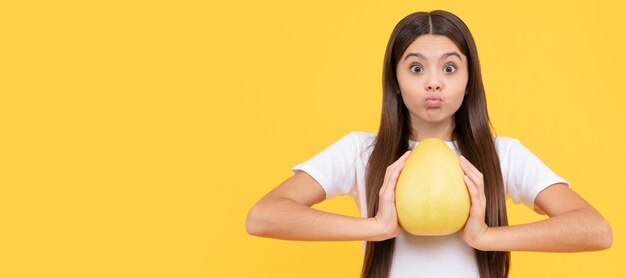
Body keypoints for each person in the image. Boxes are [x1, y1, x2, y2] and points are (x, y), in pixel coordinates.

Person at [245, 10, 612, 278]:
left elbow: (596, 230)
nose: (433, 82)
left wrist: (486, 236)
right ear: (396, 80)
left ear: (469, 80)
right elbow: (263, 216)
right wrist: (377, 227)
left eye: (450, 68)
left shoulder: (503, 155)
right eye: (416, 68)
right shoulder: (362, 152)